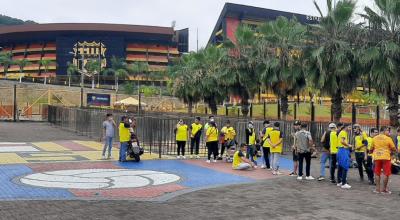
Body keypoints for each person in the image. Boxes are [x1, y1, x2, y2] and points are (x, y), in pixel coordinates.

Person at [371, 126, 397, 194]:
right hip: (386, 157)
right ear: (384, 130)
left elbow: (371, 148)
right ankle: (384, 190)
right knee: (386, 173)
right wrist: (392, 151)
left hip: (377, 157)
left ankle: (377, 189)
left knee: (377, 173)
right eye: (388, 131)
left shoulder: (374, 138)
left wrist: (371, 152)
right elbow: (393, 148)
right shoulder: (388, 138)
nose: (389, 132)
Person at [337, 123, 352, 189]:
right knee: (345, 166)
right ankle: (344, 183)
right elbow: (342, 141)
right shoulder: (343, 132)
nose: (350, 129)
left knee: (340, 166)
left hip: (340, 150)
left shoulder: (341, 132)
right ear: (345, 127)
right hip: (343, 150)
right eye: (349, 127)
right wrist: (348, 145)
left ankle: (339, 182)